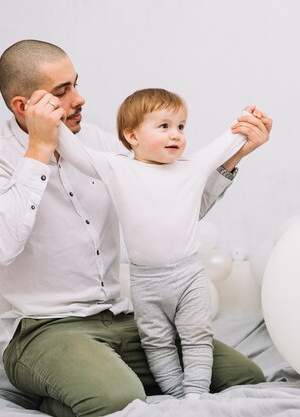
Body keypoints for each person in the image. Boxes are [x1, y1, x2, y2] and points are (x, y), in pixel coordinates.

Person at [0, 39, 272, 417]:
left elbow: (172, 211)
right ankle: (73, 388)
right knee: (117, 399)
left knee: (244, 376)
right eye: (63, 91)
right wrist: (39, 149)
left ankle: (88, 382)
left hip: (121, 319)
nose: (79, 99)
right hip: (42, 329)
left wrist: (233, 157)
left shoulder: (102, 146)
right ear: (23, 106)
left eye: (75, 84)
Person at [56, 88, 269, 400]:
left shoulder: (191, 167)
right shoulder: (118, 168)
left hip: (188, 276)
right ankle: (174, 394)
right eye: (164, 126)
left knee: (197, 335)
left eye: (181, 127)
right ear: (132, 135)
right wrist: (51, 120)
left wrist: (247, 123)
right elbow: (75, 152)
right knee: (156, 342)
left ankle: (196, 395)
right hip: (146, 281)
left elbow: (225, 143)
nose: (176, 135)